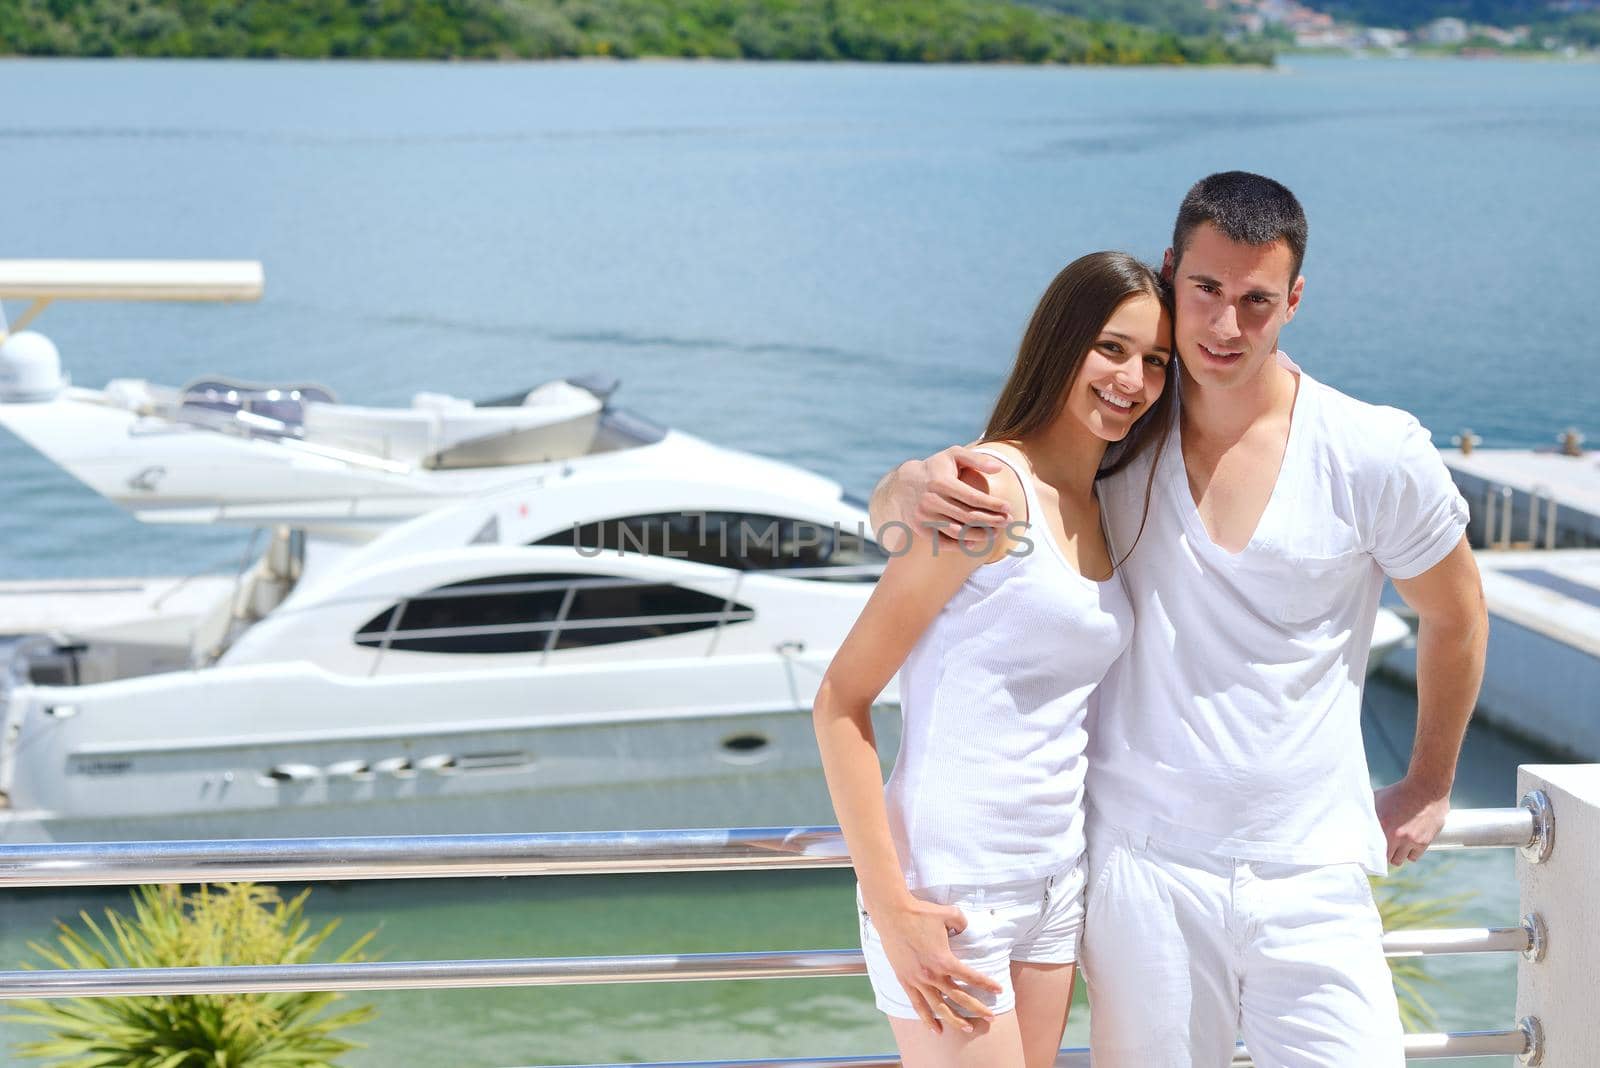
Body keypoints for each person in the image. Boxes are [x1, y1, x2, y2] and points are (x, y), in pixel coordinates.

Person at [868, 172, 1489, 1066]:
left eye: (1255, 301)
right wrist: (903, 483)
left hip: (1311, 873)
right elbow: (978, 494)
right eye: (1204, 291)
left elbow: (1458, 617)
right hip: (1140, 871)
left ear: (1295, 300)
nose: (1225, 327)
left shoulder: (1372, 453)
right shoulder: (1118, 437)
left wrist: (1430, 782)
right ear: (1170, 273)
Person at [813, 251, 1176, 1068]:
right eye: (1112, 349)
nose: (1133, 379)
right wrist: (891, 902)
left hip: (1053, 882)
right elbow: (840, 698)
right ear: (1061, 342)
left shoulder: (1102, 499)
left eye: (1156, 361)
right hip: (951, 887)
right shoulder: (990, 493)